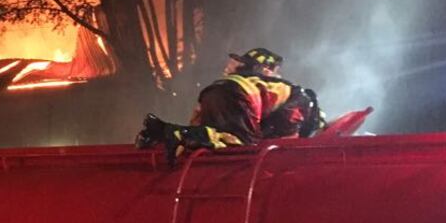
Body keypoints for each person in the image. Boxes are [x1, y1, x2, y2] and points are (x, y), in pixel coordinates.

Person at [137, 47, 325, 163]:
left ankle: (169, 132)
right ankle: (182, 133)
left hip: (212, 92)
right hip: (240, 97)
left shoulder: (229, 81)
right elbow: (284, 140)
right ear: (266, 69)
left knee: (219, 142)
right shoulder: (302, 98)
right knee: (241, 148)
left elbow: (199, 118)